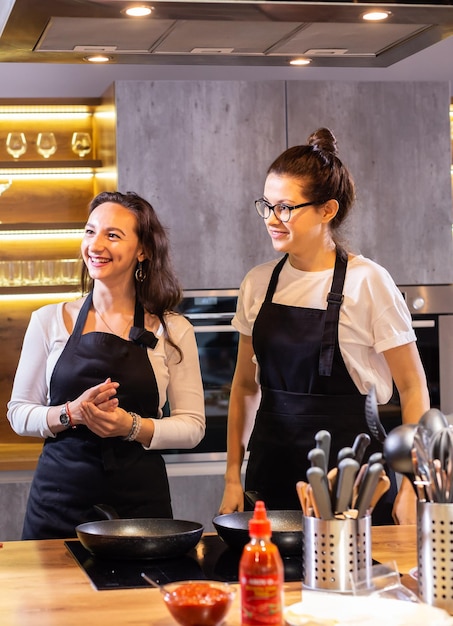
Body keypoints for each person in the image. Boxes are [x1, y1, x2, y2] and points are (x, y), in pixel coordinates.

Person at [219, 128, 430, 525]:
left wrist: (412, 486)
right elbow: (246, 386)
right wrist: (233, 474)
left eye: (286, 208)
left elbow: (413, 386)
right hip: (269, 471)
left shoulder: (368, 281)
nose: (272, 219)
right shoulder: (258, 283)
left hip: (350, 480)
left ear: (327, 210)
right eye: (267, 205)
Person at [8, 191, 205, 539]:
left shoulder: (172, 329)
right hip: (58, 500)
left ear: (142, 250)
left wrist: (130, 426)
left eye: (112, 235)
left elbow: (192, 427)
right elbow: (19, 414)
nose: (95, 245)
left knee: (137, 593)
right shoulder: (49, 320)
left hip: (141, 506)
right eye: (90, 231)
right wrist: (71, 412)